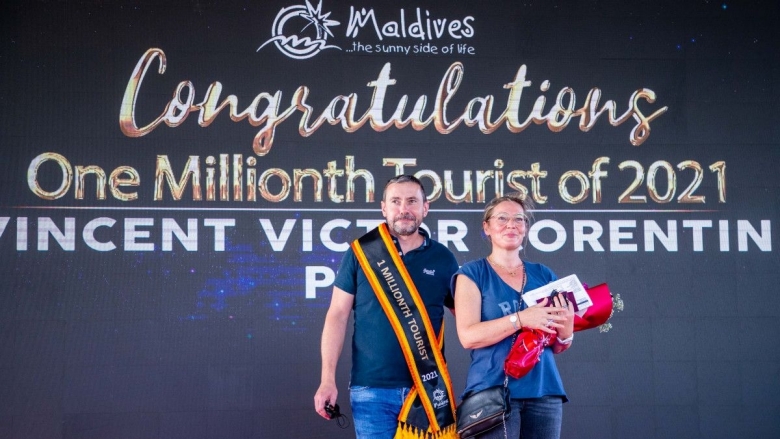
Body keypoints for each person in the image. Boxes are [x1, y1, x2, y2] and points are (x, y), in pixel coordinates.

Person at [314, 175, 460, 439]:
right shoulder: (361, 253)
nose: (404, 209)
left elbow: (467, 316)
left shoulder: (443, 258)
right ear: (384, 208)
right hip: (371, 390)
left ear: (425, 208)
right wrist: (327, 379)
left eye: (412, 201)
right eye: (396, 201)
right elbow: (336, 315)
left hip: (427, 390)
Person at [453, 194, 575, 439]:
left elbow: (559, 345)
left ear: (526, 228)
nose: (511, 224)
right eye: (502, 218)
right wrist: (521, 319)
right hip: (492, 392)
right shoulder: (472, 274)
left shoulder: (544, 274)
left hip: (544, 391)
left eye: (519, 219)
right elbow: (468, 336)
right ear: (486, 227)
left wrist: (567, 330)